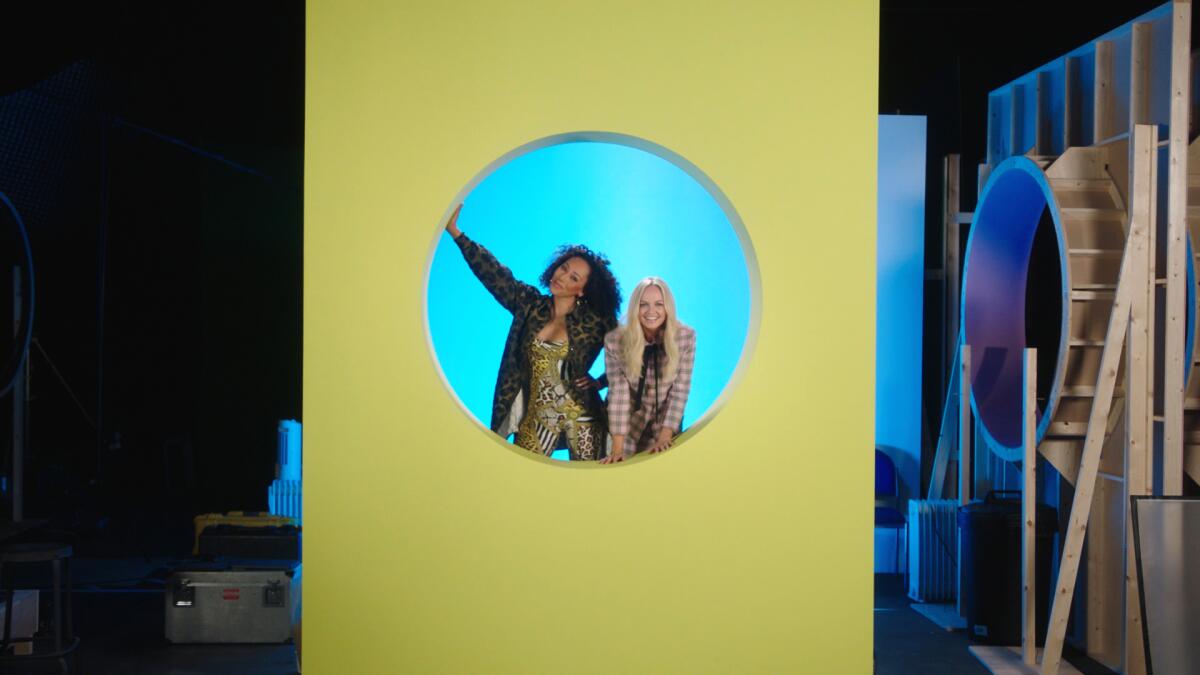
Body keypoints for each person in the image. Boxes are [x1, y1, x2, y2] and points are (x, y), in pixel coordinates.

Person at [444, 204, 620, 460]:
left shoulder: (597, 321)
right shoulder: (529, 304)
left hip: (582, 414)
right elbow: (495, 274)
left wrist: (601, 382)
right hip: (538, 417)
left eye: (574, 278)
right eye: (564, 268)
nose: (562, 277)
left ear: (583, 289)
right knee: (520, 477)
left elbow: (633, 351)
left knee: (590, 485)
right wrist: (456, 233)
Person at [599, 277, 695, 463]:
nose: (651, 311)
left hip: (664, 419)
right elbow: (619, 394)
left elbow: (680, 390)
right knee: (619, 470)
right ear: (635, 307)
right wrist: (617, 449)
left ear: (668, 307)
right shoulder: (615, 340)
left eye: (659, 304)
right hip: (626, 420)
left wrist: (666, 436)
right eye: (644, 304)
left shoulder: (685, 337)